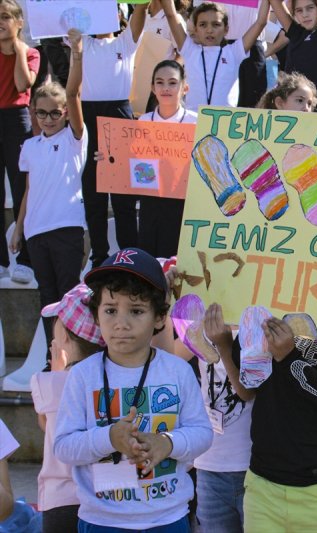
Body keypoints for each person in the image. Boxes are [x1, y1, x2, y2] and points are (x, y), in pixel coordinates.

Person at [53, 248, 213, 531]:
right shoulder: (81, 376)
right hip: (100, 521)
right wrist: (110, 438)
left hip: (168, 518)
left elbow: (202, 433)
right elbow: (64, 447)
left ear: (160, 318)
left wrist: (167, 442)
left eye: (136, 311)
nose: (121, 324)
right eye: (110, 310)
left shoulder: (176, 372)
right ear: (96, 314)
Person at [225, 317, 317, 532]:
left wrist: (290, 357)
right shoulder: (261, 315)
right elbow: (247, 387)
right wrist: (223, 342)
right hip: (263, 487)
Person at [10, 29, 86, 331]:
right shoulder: (29, 147)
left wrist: (77, 53)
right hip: (36, 230)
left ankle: (71, 359)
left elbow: (73, 93)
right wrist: (18, 229)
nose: (48, 119)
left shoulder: (74, 139)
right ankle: (52, 357)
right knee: (47, 298)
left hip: (67, 228)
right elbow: (29, 189)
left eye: (55, 113)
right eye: (41, 113)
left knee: (68, 297)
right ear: (33, 113)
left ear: (65, 113)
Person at [31, 284, 104, 533]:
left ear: (63, 336)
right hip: (102, 497)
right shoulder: (107, 380)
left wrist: (56, 369)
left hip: (60, 500)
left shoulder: (46, 382)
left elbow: (46, 424)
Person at [78, 4, 145, 268]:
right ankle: (99, 256)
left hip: (119, 113)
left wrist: (140, 6)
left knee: (123, 194)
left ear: (119, 16)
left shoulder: (126, 42)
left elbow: (140, 12)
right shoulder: (82, 42)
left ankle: (129, 255)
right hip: (88, 115)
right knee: (94, 193)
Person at [190, 304, 253, 533]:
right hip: (210, 467)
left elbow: (246, 392)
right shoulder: (200, 322)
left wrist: (225, 348)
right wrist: (164, 300)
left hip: (254, 468)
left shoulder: (258, 322)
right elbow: (164, 351)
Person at [136, 60, 197, 259]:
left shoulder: (196, 122)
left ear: (184, 88)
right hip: (150, 200)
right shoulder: (142, 121)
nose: (166, 88)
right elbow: (132, 161)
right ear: (152, 88)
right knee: (149, 257)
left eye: (172, 83)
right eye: (160, 82)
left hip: (183, 202)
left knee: (175, 260)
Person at [162, 0, 269, 110]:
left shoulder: (234, 52)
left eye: (216, 25)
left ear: (226, 29)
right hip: (193, 121)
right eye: (203, 25)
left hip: (224, 121)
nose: (209, 30)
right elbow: (170, 15)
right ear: (195, 29)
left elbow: (260, 22)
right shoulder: (189, 50)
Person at [0, 0, 38, 283]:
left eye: (5, 17)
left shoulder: (31, 53)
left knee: (21, 186)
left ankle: (24, 259)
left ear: (19, 22)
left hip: (17, 119)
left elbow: (22, 85)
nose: (0, 23)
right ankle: (1, 261)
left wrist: (20, 51)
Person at [268, 0, 317, 98]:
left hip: (316, 99)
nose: (305, 14)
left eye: (310, 8)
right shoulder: (295, 32)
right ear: (294, 13)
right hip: (289, 98)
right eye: (299, 10)